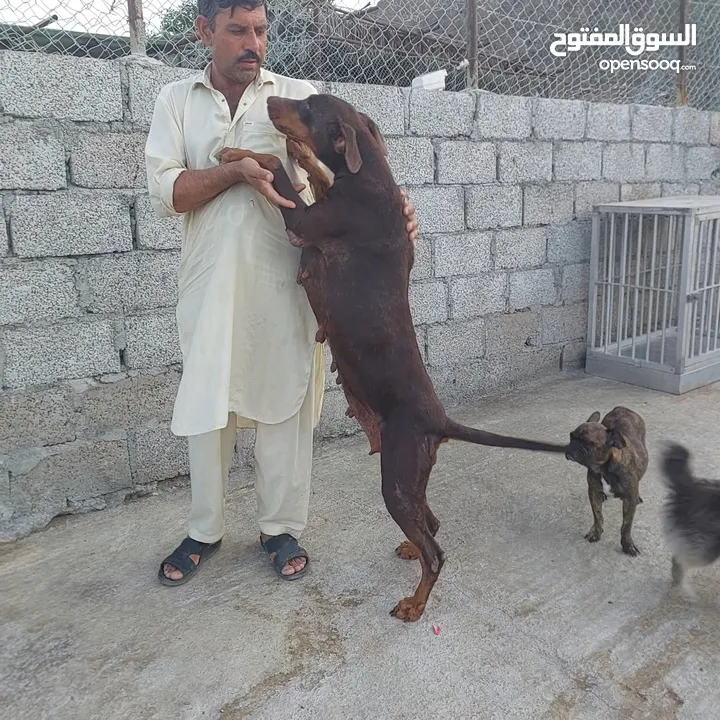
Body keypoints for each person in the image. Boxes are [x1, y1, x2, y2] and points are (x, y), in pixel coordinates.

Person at [145, 0, 419, 584]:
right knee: (205, 407)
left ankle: (280, 527)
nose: (253, 43)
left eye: (261, 31)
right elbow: (170, 192)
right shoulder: (176, 100)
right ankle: (204, 529)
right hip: (211, 284)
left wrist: (392, 218)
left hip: (289, 279)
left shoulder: (295, 97)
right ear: (204, 31)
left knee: (284, 406)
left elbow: (350, 174)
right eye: (237, 30)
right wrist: (235, 171)